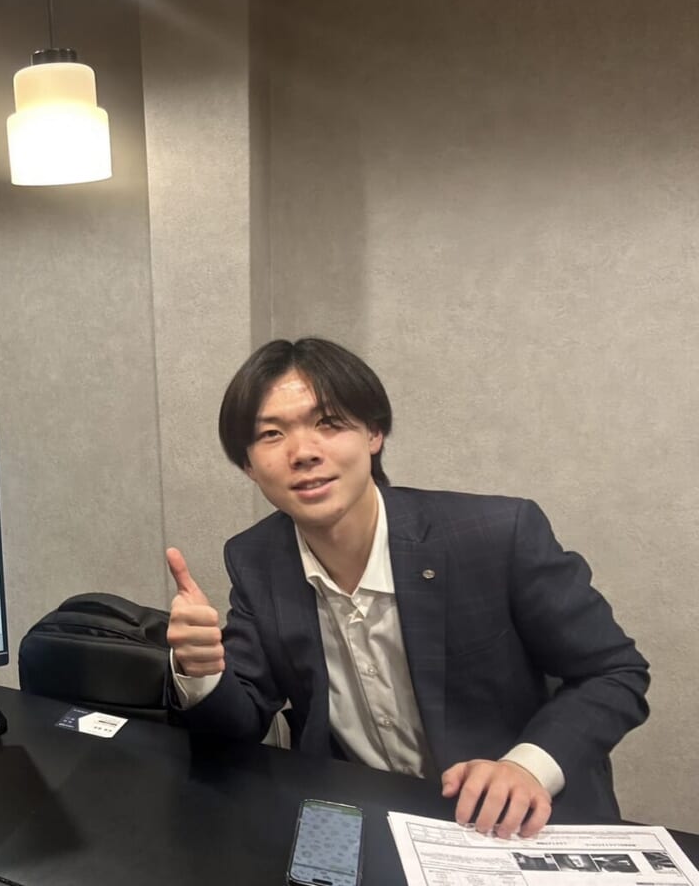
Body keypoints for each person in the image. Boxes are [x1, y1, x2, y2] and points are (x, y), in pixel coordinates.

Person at [166, 337, 649, 839]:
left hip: (513, 825)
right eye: (271, 434)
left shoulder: (496, 535)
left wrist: (526, 767)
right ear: (247, 464)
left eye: (328, 423)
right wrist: (200, 671)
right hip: (363, 818)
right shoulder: (256, 559)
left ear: (373, 433)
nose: (303, 452)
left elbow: (615, 672)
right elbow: (240, 721)